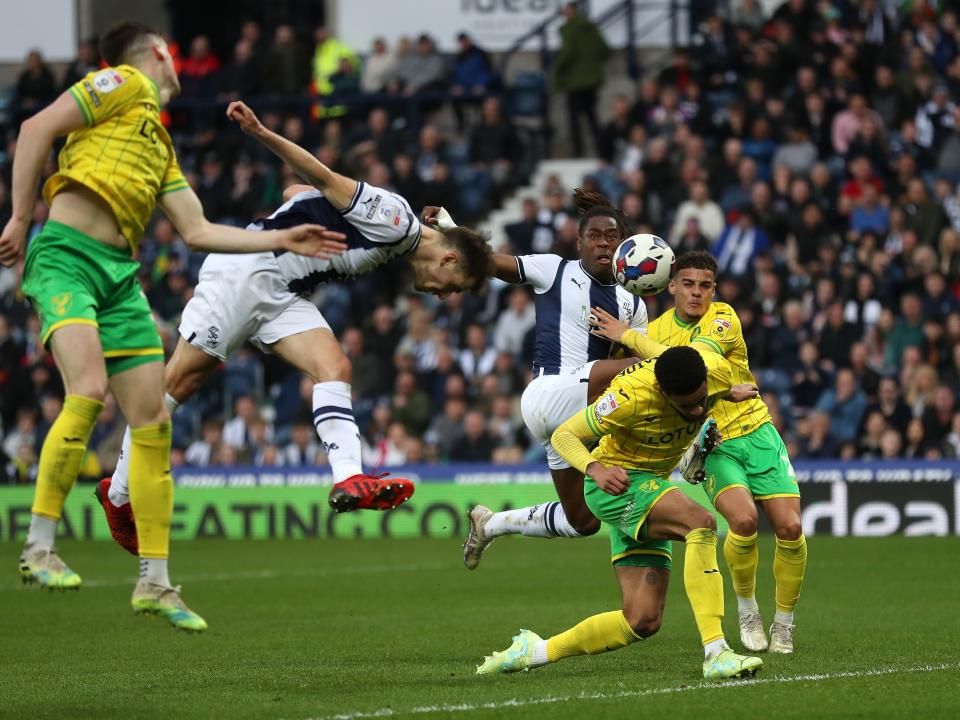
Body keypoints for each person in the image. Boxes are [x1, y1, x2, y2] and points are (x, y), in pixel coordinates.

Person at [0, 23, 347, 630]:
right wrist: (19, 218)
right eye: (171, 52)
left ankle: (156, 583)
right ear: (160, 51)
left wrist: (281, 238)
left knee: (153, 422)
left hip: (119, 277)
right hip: (66, 257)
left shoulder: (158, 144)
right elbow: (34, 129)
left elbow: (198, 231)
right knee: (88, 390)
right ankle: (39, 548)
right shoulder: (124, 82)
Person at [96, 100, 493, 555]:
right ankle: (118, 495)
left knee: (334, 367)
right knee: (175, 387)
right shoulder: (396, 221)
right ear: (447, 259)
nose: (444, 295)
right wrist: (261, 132)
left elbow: (296, 191)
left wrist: (309, 206)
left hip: (283, 292)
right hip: (248, 273)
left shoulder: (407, 237)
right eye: (452, 286)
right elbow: (321, 176)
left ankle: (349, 478)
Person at [476, 346, 764, 680]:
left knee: (642, 620)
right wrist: (594, 468)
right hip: (614, 485)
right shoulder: (629, 397)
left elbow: (707, 387)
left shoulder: (717, 372)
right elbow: (564, 435)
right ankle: (716, 652)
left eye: (702, 399)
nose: (698, 410)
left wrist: (727, 392)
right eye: (687, 406)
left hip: (650, 486)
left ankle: (534, 651)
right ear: (661, 390)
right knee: (700, 523)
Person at [590, 250, 807, 654]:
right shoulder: (655, 329)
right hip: (714, 441)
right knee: (743, 520)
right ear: (670, 285)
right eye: (688, 284)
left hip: (758, 431)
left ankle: (784, 622)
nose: (696, 293)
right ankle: (747, 610)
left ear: (714, 290)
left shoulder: (722, 318)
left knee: (791, 528)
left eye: (705, 286)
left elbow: (692, 361)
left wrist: (629, 336)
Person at [430, 191, 647, 567]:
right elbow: (489, 261)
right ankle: (688, 449)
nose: (603, 243)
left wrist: (624, 336)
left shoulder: (634, 303)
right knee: (651, 368)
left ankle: (491, 524)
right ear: (579, 243)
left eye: (611, 237)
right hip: (549, 392)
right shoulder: (554, 270)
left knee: (583, 522)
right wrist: (451, 229)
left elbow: (636, 372)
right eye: (594, 236)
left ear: (623, 245)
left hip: (574, 422)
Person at [552, 2, 610, 156]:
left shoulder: (569, 29)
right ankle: (602, 150)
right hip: (592, 80)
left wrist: (556, 70)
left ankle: (578, 152)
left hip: (574, 82)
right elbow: (604, 50)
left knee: (574, 120)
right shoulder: (590, 27)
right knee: (592, 117)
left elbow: (567, 53)